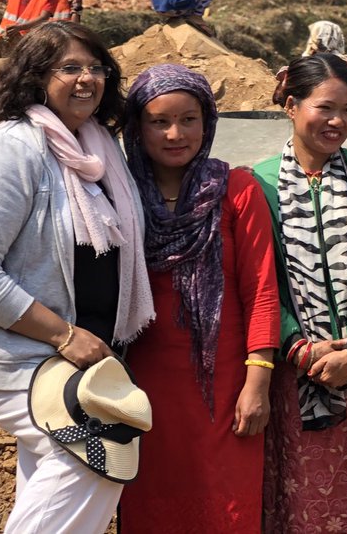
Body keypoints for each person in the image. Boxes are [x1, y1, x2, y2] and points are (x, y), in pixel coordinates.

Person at [0, 21, 152, 534]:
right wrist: (62, 334)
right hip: (16, 350)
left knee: (50, 469)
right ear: (36, 77)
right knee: (98, 450)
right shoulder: (9, 151)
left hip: (80, 350)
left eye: (96, 68)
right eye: (70, 68)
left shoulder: (98, 148)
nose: (87, 79)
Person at [120, 64, 281, 533]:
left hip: (226, 388)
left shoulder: (237, 189)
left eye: (189, 119)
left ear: (208, 122)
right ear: (137, 126)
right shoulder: (119, 193)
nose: (176, 133)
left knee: (225, 508)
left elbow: (261, 292)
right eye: (159, 121)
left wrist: (258, 383)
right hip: (140, 387)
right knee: (151, 505)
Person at [253, 52, 347, 533]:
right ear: (291, 105)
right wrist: (302, 349)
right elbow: (261, 283)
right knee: (304, 494)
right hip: (298, 367)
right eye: (325, 107)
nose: (338, 121)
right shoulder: (256, 183)